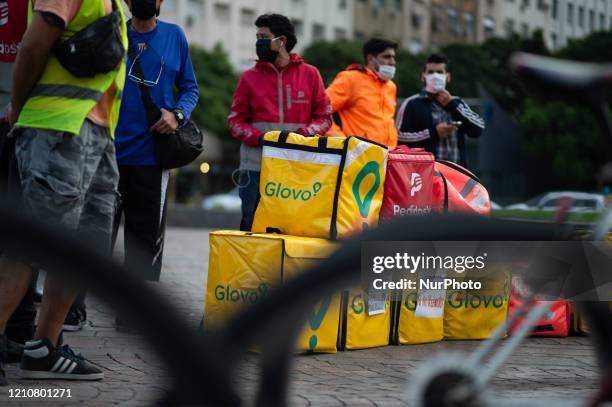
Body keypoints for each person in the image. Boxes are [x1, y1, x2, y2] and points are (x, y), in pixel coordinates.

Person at [0, 0, 128, 384]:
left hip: (98, 136)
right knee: (33, 246)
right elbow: (33, 46)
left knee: (81, 251)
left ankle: (44, 348)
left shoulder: (115, 2)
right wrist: (18, 110)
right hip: (56, 130)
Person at [113, 0, 198, 286]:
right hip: (106, 154)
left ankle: (133, 313)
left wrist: (178, 115)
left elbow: (190, 88)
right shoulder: (113, 31)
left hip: (153, 156)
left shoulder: (175, 35)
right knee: (94, 235)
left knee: (144, 241)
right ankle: (75, 308)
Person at [228, 13, 332, 231]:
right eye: (257, 37)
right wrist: (260, 138)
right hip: (255, 167)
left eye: (264, 36)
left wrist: (303, 135)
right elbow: (235, 121)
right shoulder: (248, 77)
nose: (259, 42)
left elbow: (324, 117)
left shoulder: (311, 74)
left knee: (295, 227)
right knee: (252, 224)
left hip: (298, 167)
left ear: (281, 41)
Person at [0, 0, 36, 365]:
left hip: (24, 119)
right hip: (26, 120)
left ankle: (18, 329)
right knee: (24, 233)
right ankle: (18, 330)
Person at [395, 53, 484, 167]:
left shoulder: (457, 103)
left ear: (448, 76)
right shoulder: (411, 104)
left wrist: (451, 105)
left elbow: (478, 129)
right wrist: (433, 133)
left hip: (457, 175)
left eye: (440, 72)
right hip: (425, 175)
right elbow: (399, 137)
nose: (435, 76)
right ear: (423, 76)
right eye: (431, 72)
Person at [325, 38, 398, 147]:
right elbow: (320, 109)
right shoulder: (350, 79)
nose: (393, 62)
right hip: (359, 156)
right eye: (387, 57)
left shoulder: (391, 86)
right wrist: (340, 140)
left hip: (388, 155)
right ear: (370, 59)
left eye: (393, 57)